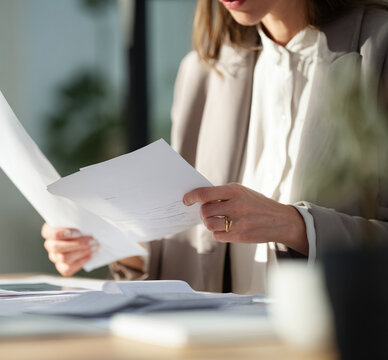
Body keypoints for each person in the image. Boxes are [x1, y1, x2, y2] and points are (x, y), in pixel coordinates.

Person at [41, 0, 388, 294]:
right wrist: (114, 245)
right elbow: (194, 250)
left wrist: (296, 225)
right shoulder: (203, 72)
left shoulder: (380, 49)